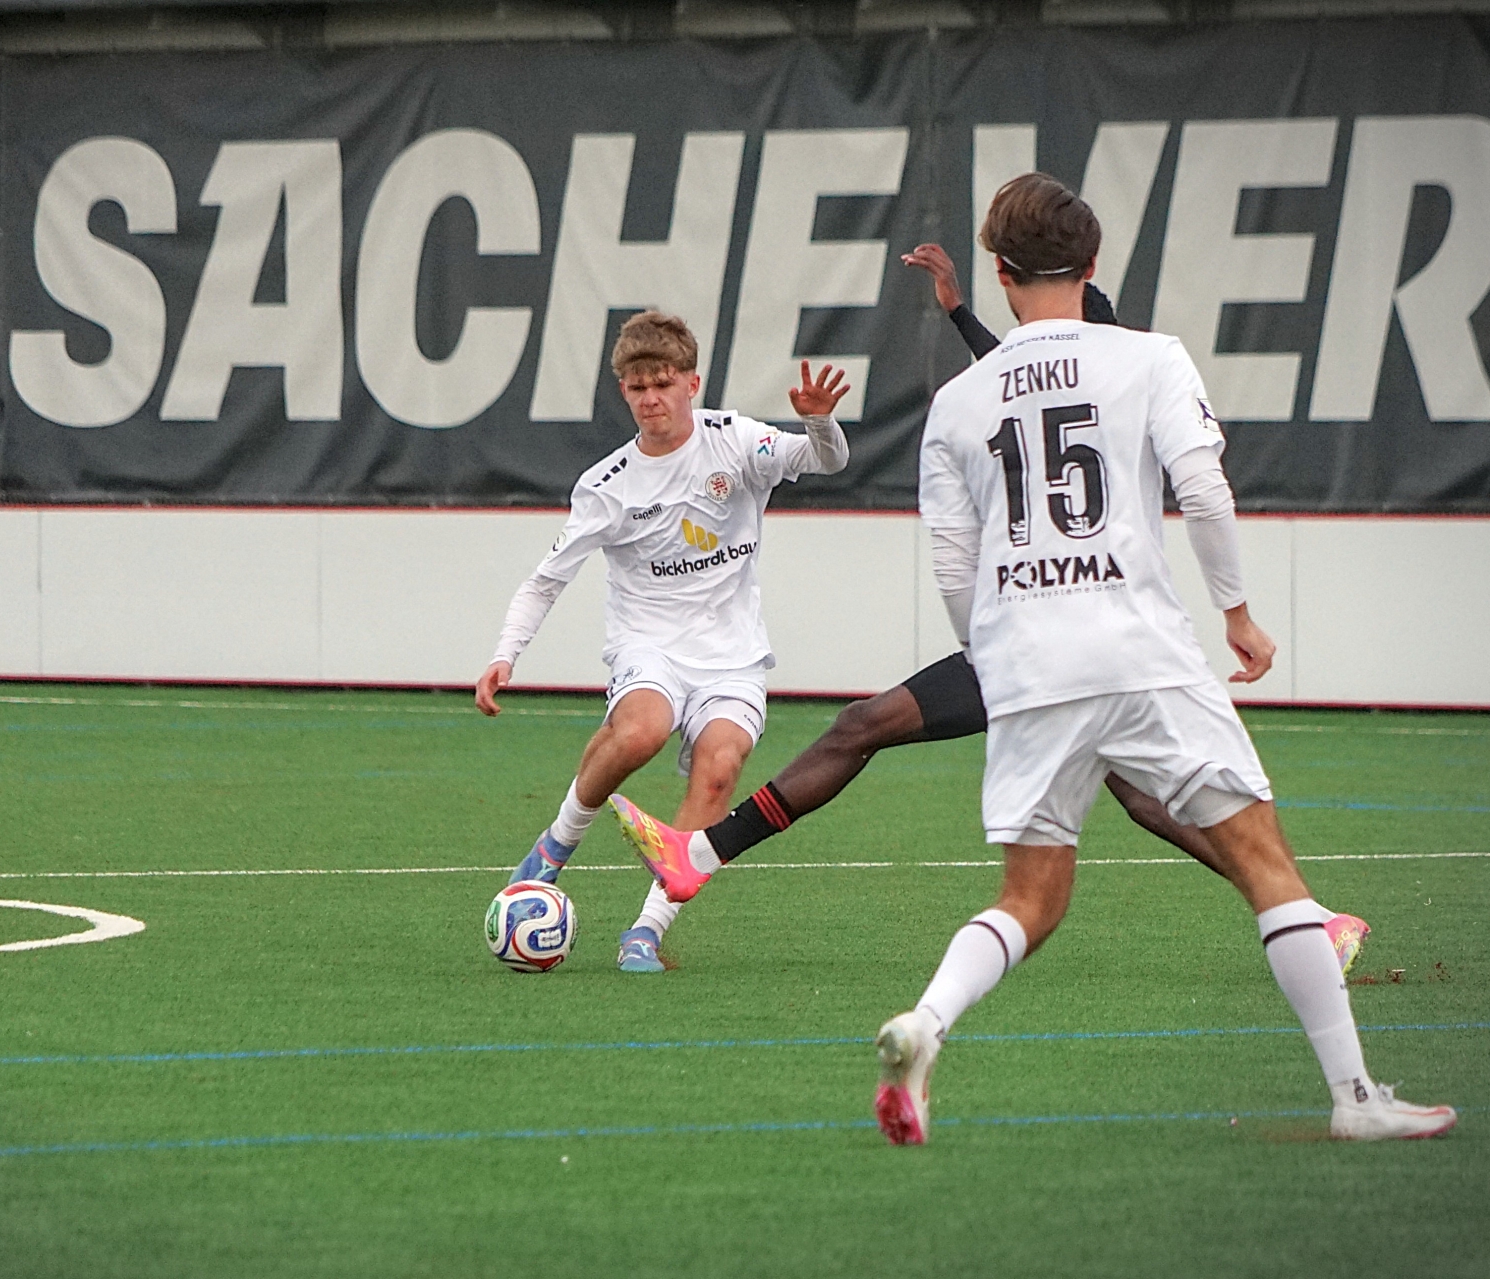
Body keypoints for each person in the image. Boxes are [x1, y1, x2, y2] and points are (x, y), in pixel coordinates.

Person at [863, 172, 1450, 1142]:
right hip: (1141, 651)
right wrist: (1239, 614)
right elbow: (1205, 493)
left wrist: (995, 654)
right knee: (1264, 861)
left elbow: (952, 560)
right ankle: (1354, 1098)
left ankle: (926, 1022)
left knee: (1030, 897)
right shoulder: (1149, 358)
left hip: (1028, 665)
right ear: (1092, 268)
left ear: (1002, 276)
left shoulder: (960, 401)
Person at [607, 245, 1369, 970]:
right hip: (1092, 634)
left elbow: (1007, 388)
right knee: (1138, 795)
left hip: (1033, 635)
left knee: (869, 730)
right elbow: (1026, 377)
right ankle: (1313, 919)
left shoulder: (1050, 381)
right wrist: (961, 312)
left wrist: (964, 315)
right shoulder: (1118, 376)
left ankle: (699, 856)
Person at [476, 311, 848, 972]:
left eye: (664, 382)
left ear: (691, 382)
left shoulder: (734, 441)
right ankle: (557, 845)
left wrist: (819, 421)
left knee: (721, 765)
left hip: (733, 657)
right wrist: (507, 653)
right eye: (637, 386)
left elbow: (824, 458)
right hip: (650, 647)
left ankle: (646, 930)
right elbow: (546, 580)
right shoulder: (607, 484)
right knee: (643, 729)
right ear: (623, 390)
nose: (651, 398)